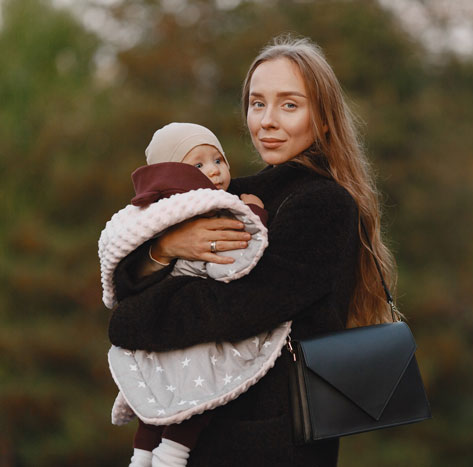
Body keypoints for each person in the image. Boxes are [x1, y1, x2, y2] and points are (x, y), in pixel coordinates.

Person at [108, 35, 397, 467]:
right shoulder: (233, 195)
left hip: (273, 445)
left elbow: (237, 308)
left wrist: (138, 317)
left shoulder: (323, 204)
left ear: (324, 120)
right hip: (215, 435)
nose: (267, 121)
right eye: (257, 103)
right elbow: (128, 282)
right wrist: (165, 248)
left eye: (289, 105)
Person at [99, 122, 290, 467]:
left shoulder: (208, 207)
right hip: (172, 321)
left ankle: (154, 456)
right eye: (198, 165)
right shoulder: (174, 214)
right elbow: (232, 263)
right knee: (189, 390)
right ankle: (153, 456)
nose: (214, 171)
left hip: (175, 323)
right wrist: (256, 217)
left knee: (177, 389)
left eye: (218, 159)